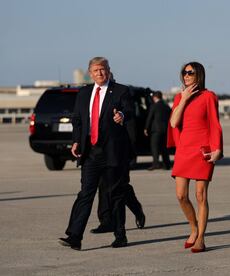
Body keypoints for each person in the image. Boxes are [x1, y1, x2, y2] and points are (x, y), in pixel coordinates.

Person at [59, 57, 133, 250]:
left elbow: (129, 110)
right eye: (96, 70)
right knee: (85, 194)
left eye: (103, 69)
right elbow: (77, 120)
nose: (100, 73)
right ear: (90, 73)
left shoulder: (120, 90)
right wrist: (76, 140)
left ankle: (120, 235)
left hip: (112, 151)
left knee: (115, 194)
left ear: (108, 70)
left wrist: (122, 116)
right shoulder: (83, 93)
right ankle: (74, 236)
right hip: (90, 152)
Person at [167, 61, 223, 253]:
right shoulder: (178, 97)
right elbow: (174, 122)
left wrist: (217, 149)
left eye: (190, 73)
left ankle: (200, 238)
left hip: (202, 150)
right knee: (181, 195)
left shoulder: (209, 96)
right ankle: (193, 228)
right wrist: (183, 99)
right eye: (184, 73)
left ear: (199, 75)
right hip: (184, 149)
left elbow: (215, 124)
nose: (186, 76)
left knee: (201, 195)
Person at [90, 73, 146, 233]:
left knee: (120, 186)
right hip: (100, 150)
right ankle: (106, 220)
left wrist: (130, 151)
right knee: (103, 186)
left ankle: (136, 210)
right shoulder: (95, 98)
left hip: (120, 150)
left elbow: (130, 124)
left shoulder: (122, 95)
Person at [144, 91, 172, 170]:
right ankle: (167, 164)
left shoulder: (154, 106)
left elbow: (150, 118)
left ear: (155, 97)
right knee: (164, 148)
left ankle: (156, 163)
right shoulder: (166, 106)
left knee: (154, 147)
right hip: (165, 130)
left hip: (156, 130)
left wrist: (146, 128)